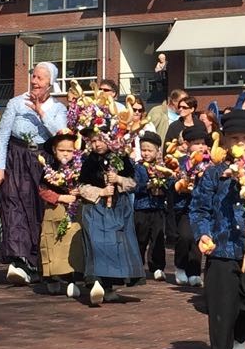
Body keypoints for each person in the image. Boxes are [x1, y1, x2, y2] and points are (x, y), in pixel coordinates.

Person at [192, 109, 245, 349]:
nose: (240, 144)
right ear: (224, 141)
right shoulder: (214, 174)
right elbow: (199, 209)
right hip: (221, 249)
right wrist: (203, 234)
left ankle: (239, 336)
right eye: (234, 138)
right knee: (222, 306)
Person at [0, 62, 69, 284]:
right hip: (16, 158)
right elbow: (2, 136)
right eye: (33, 76)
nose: (35, 81)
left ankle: (37, 262)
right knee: (13, 205)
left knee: (38, 209)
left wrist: (40, 112)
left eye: (40, 78)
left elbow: (62, 135)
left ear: (50, 83)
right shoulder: (16, 103)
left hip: (43, 160)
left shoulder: (58, 108)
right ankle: (18, 260)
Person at [77, 126, 142, 305]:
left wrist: (119, 179)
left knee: (114, 245)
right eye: (93, 141)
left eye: (100, 140)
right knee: (96, 242)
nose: (97, 144)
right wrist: (100, 191)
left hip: (118, 209)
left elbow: (134, 183)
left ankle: (109, 284)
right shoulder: (89, 162)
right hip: (95, 208)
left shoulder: (121, 157)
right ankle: (95, 281)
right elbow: (81, 186)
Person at [36, 129, 84, 297]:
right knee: (52, 242)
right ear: (54, 150)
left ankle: (71, 278)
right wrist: (59, 197)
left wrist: (79, 192)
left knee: (72, 244)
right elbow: (42, 190)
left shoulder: (79, 168)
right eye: (61, 150)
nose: (65, 153)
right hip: (55, 209)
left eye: (69, 150)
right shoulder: (49, 169)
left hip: (74, 211)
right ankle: (52, 277)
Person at [169, 126, 209, 287]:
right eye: (196, 143)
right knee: (185, 237)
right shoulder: (180, 162)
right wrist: (182, 183)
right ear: (187, 144)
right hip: (184, 206)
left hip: (201, 206)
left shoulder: (208, 162)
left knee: (197, 237)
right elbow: (172, 181)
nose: (201, 146)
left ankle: (194, 272)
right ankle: (180, 266)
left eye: (203, 143)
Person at [133, 131, 171, 282]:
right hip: (141, 208)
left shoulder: (163, 167)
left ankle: (157, 267)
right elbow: (135, 186)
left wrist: (164, 184)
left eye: (149, 150)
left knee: (158, 238)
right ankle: (137, 266)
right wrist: (147, 185)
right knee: (140, 238)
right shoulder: (138, 167)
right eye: (143, 150)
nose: (146, 153)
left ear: (157, 151)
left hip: (158, 208)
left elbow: (170, 185)